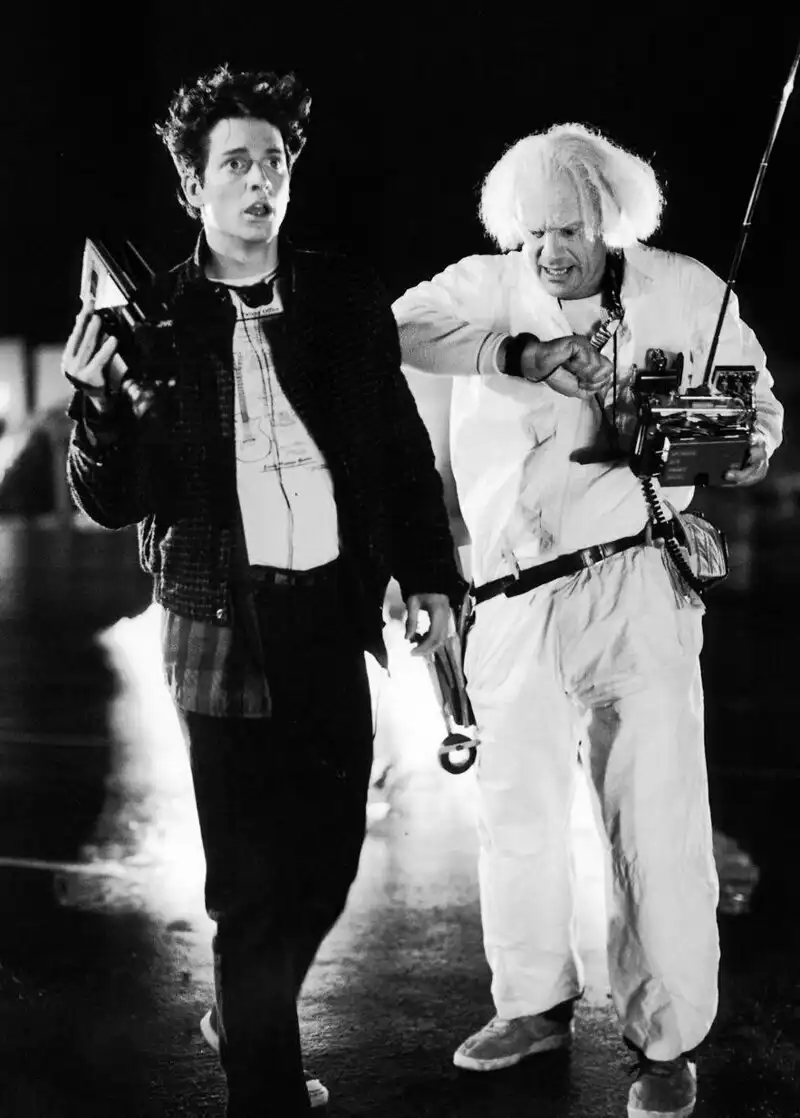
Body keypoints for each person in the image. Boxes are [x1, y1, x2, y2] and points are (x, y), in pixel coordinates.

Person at [62, 65, 464, 1118]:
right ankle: (265, 1083)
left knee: (328, 863)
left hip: (330, 616)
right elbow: (111, 500)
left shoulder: (341, 297)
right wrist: (97, 410)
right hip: (216, 623)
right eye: (234, 163)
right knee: (247, 888)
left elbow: (399, 452)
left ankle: (246, 1014)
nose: (258, 181)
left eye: (273, 161)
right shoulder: (156, 319)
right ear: (192, 187)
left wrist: (431, 576)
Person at [392, 122, 784, 1118]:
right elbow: (391, 329)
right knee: (515, 816)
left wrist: (719, 441)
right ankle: (529, 1005)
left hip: (636, 582)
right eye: (532, 234)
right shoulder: (482, 288)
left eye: (568, 230)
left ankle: (665, 1040)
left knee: (654, 818)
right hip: (511, 596)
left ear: (611, 220)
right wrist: (517, 351)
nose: (549, 252)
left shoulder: (686, 290)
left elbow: (757, 419)